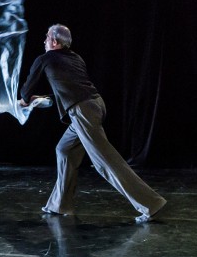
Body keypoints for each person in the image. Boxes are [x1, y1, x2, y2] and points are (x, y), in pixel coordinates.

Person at [19, 24, 166, 223]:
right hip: (94, 105)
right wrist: (43, 98)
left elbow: (26, 92)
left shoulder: (44, 59)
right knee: (64, 150)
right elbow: (69, 86)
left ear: (54, 41)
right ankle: (59, 205)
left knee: (103, 161)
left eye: (47, 37)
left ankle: (150, 204)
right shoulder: (75, 58)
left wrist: (25, 100)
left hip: (82, 111)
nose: (44, 41)